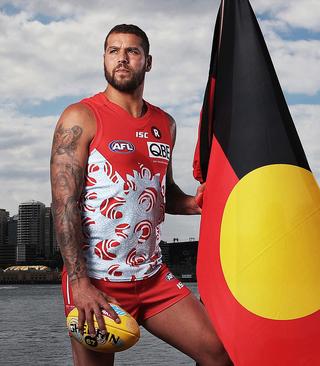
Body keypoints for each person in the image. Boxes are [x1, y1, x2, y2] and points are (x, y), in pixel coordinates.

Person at [50, 24, 232, 366]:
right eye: (113, 50)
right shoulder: (80, 117)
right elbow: (63, 206)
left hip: (151, 277)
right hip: (97, 282)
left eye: (132, 51)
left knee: (219, 354)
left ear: (147, 62)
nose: (122, 58)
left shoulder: (166, 123)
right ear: (104, 59)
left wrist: (195, 203)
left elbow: (164, 192)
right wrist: (80, 285)